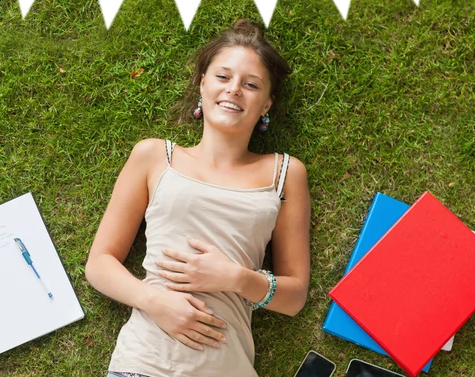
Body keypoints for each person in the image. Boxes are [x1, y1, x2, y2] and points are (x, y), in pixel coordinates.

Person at [85, 19, 311, 377]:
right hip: (144, 365)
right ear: (203, 83)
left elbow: (295, 296)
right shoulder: (154, 156)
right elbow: (99, 263)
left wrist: (236, 278)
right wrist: (155, 301)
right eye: (223, 77)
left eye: (251, 85)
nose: (234, 89)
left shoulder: (286, 174)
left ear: (266, 104)